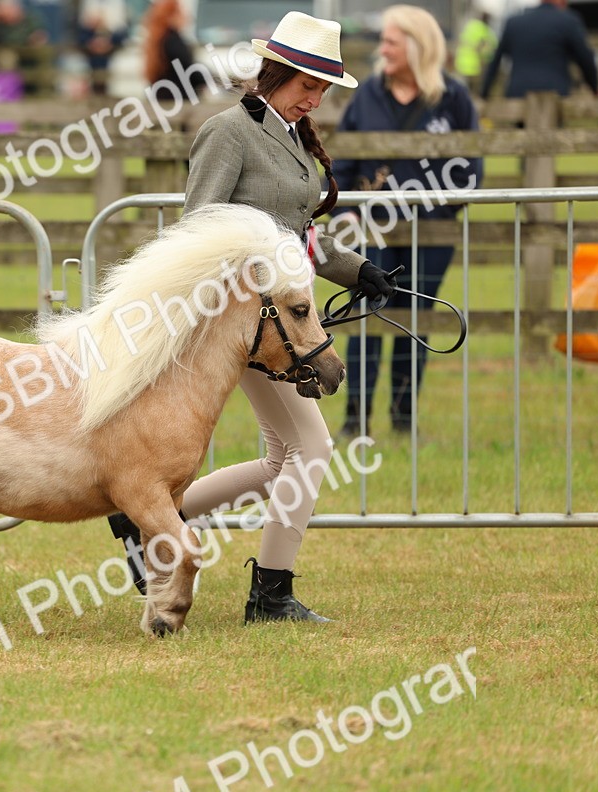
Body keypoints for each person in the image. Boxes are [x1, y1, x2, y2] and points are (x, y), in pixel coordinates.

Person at [107, 11, 399, 623]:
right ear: (275, 74)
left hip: (279, 320)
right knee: (313, 447)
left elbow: (298, 232)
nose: (314, 100)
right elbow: (198, 230)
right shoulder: (227, 132)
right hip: (242, 325)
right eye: (307, 87)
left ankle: (154, 520)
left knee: (281, 458)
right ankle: (271, 593)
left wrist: (355, 268)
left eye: (322, 91)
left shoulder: (292, 136)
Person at [332, 5, 483, 437]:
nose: (383, 49)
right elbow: (342, 162)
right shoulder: (368, 95)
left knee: (415, 318)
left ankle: (403, 419)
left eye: (391, 42)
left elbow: (471, 167)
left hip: (430, 234)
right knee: (368, 317)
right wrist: (347, 210)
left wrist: (441, 211)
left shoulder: (453, 99)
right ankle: (355, 419)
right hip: (373, 230)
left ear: (417, 46)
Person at [480, 0, 598, 100]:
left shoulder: (514, 23)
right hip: (556, 94)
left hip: (518, 94)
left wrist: (484, 92)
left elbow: (495, 61)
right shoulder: (569, 21)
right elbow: (585, 59)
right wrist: (595, 88)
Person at [143, 0, 206, 103]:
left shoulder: (158, 40)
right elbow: (189, 69)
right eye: (181, 12)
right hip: (176, 101)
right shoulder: (172, 41)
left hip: (162, 99)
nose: (186, 16)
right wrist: (214, 79)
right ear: (171, 16)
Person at [454, 7, 498, 91]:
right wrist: (489, 58)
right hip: (474, 67)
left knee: (463, 90)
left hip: (461, 64)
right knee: (474, 92)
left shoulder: (470, 25)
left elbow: (461, 41)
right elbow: (485, 48)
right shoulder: (483, 29)